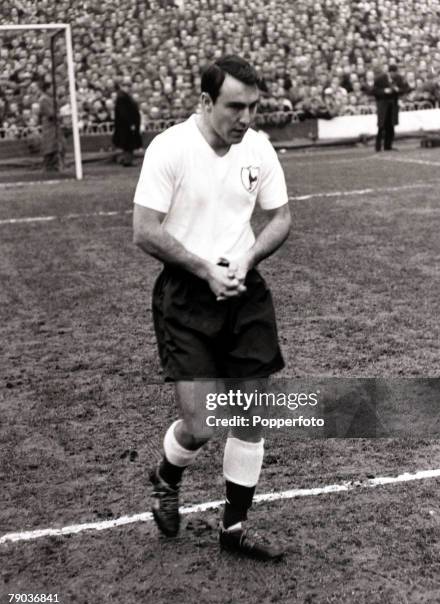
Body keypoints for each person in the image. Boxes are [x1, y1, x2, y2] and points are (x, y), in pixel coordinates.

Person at [132, 56, 291, 560]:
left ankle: (233, 528)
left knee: (250, 413)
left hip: (245, 293)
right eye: (234, 107)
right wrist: (205, 269)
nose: (245, 118)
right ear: (206, 101)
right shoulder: (170, 148)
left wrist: (245, 258)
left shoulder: (258, 148)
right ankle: (166, 472)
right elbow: (145, 230)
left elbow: (281, 217)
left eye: (253, 107)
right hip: (186, 296)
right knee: (201, 424)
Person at [372, 63, 409, 152]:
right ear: (390, 72)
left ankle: (388, 146)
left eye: (395, 73)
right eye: (393, 73)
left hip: (393, 104)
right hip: (383, 104)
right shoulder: (380, 79)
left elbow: (405, 89)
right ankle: (378, 147)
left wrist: (398, 90)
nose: (395, 75)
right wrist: (384, 91)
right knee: (381, 126)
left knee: (391, 126)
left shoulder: (399, 78)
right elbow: (374, 91)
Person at [112, 77, 142, 166]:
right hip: (126, 126)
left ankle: (126, 159)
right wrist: (131, 123)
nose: (128, 88)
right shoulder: (122, 97)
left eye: (129, 86)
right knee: (128, 144)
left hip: (125, 125)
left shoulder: (124, 96)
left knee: (128, 144)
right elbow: (124, 113)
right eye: (126, 86)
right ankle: (127, 160)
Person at [38, 81, 65, 172]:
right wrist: (61, 115)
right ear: (47, 89)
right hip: (49, 126)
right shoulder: (44, 99)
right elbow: (50, 113)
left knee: (59, 145)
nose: (54, 90)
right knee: (49, 146)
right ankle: (47, 167)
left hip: (55, 125)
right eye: (52, 88)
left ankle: (56, 166)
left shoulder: (53, 98)